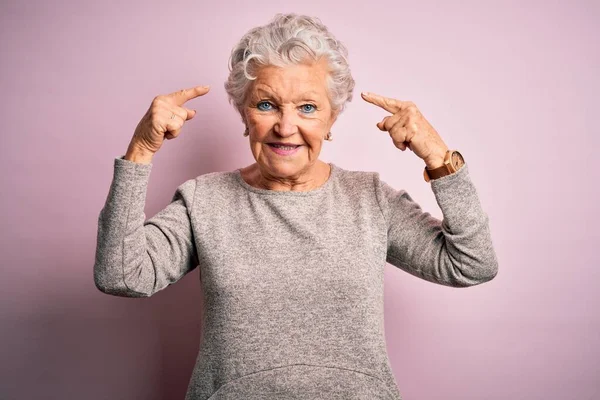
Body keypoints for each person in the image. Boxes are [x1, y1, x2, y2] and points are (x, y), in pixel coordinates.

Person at [94, 12, 498, 400]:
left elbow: (471, 263)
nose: (285, 128)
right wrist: (141, 151)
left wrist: (440, 158)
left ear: (332, 118)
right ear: (243, 113)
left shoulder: (370, 199)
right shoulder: (206, 200)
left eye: (307, 107)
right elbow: (121, 274)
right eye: (266, 105)